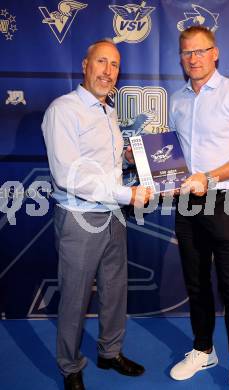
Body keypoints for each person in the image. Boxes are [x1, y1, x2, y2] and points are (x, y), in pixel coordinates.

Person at [41, 39, 152, 390]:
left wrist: (128, 161)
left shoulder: (107, 111)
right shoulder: (64, 109)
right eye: (102, 62)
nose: (108, 71)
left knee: (115, 290)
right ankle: (70, 367)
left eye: (115, 65)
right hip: (79, 218)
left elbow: (102, 163)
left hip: (113, 216)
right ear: (85, 65)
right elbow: (68, 174)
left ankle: (110, 352)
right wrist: (126, 193)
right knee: (75, 297)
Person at [168, 26, 229, 390]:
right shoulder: (176, 99)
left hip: (224, 198)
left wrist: (209, 176)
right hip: (186, 201)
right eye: (186, 53)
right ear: (180, 57)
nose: (193, 59)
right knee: (196, 283)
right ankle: (203, 348)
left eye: (200, 51)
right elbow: (170, 154)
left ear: (215, 53)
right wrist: (141, 158)